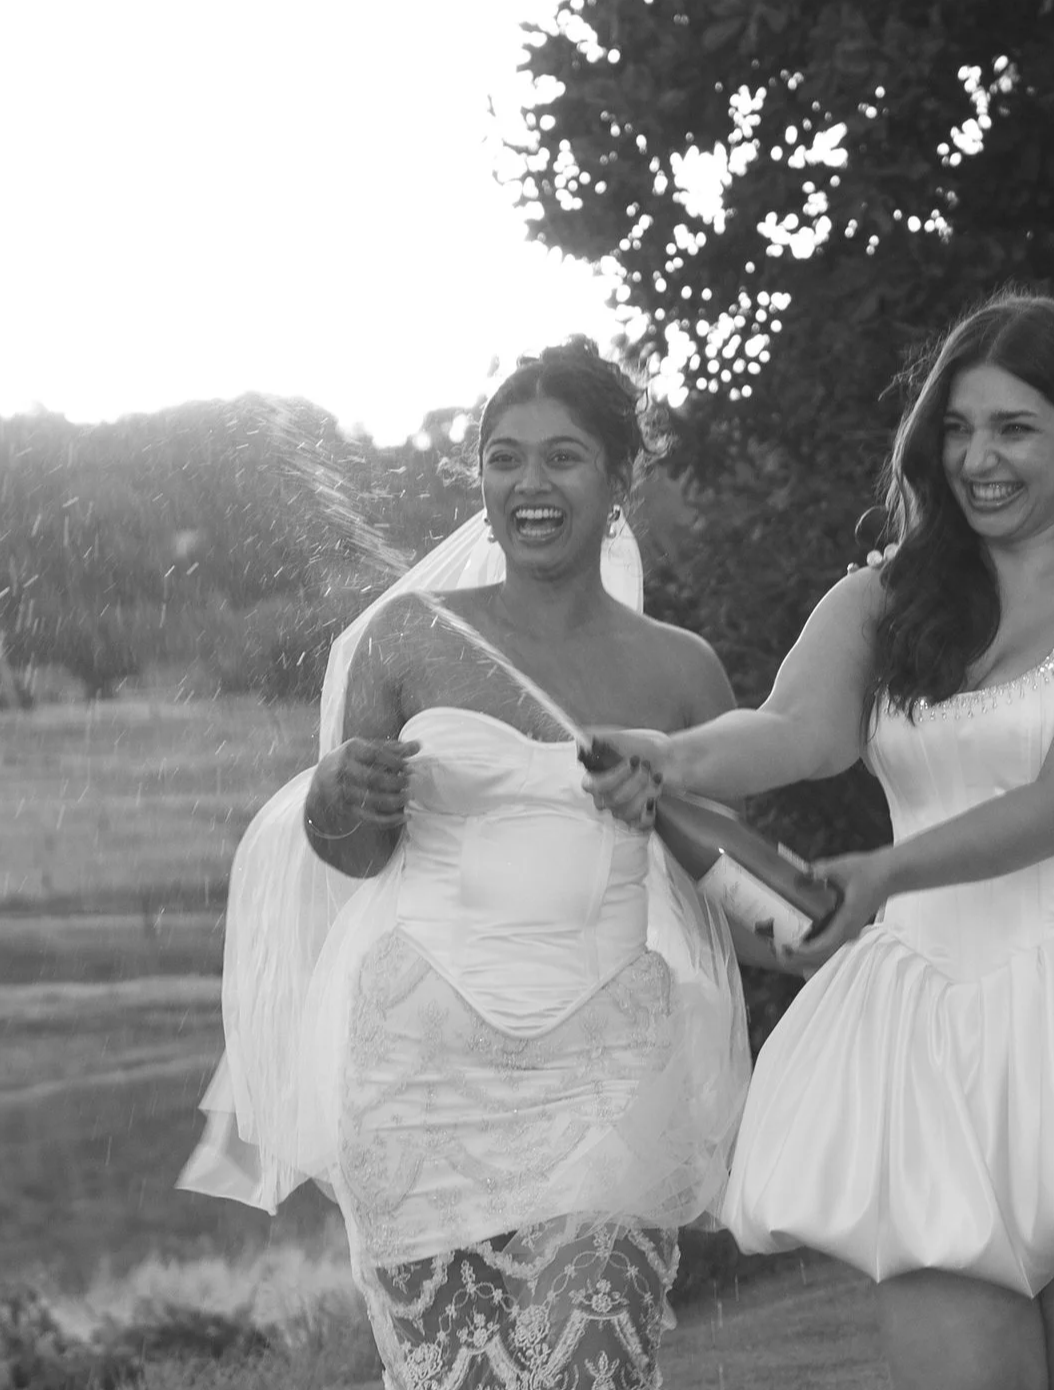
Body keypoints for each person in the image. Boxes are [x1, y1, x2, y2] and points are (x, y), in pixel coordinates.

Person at [588, 293, 1054, 1390]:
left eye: (1015, 428)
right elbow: (796, 730)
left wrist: (885, 870)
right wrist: (672, 754)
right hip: (928, 1030)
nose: (979, 457)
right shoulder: (881, 596)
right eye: (959, 426)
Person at [179, 338, 756, 1390]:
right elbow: (357, 854)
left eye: (564, 457)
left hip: (608, 1063)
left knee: (594, 1363)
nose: (529, 484)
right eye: (504, 457)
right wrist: (328, 799)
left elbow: (729, 866)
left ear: (620, 477)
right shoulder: (405, 637)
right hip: (421, 1062)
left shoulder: (683, 670)